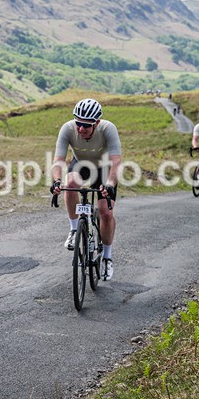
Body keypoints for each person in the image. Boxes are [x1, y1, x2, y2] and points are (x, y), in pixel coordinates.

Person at [50, 99, 121, 281]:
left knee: (105, 212)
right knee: (70, 183)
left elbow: (115, 162)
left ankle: (106, 256)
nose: (80, 129)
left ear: (96, 123)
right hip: (80, 164)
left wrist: (110, 185)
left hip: (104, 168)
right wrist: (57, 181)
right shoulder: (67, 128)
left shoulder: (108, 129)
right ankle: (74, 230)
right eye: (78, 123)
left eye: (86, 126)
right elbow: (58, 160)